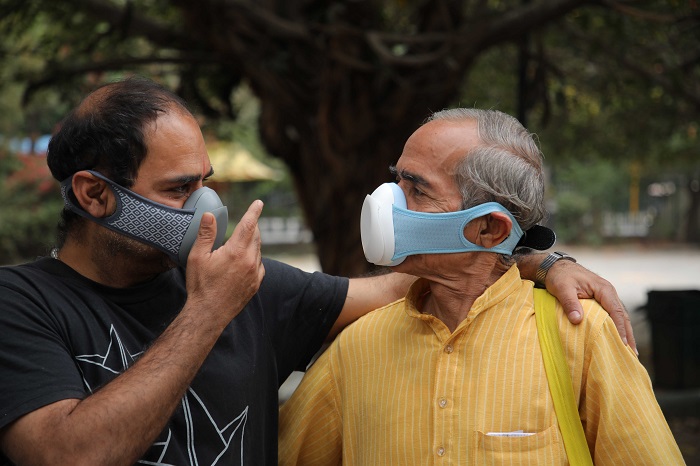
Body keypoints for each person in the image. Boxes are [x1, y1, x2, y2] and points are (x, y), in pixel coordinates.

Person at [0, 78, 630, 466]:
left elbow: (419, 279)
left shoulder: (255, 289)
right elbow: (66, 455)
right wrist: (208, 313)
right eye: (179, 188)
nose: (205, 207)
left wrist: (536, 256)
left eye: (205, 183)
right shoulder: (22, 304)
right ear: (94, 194)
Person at [278, 108, 684, 465]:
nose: (387, 202)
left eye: (417, 189)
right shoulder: (356, 347)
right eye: (396, 181)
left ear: (489, 228)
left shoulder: (581, 336)